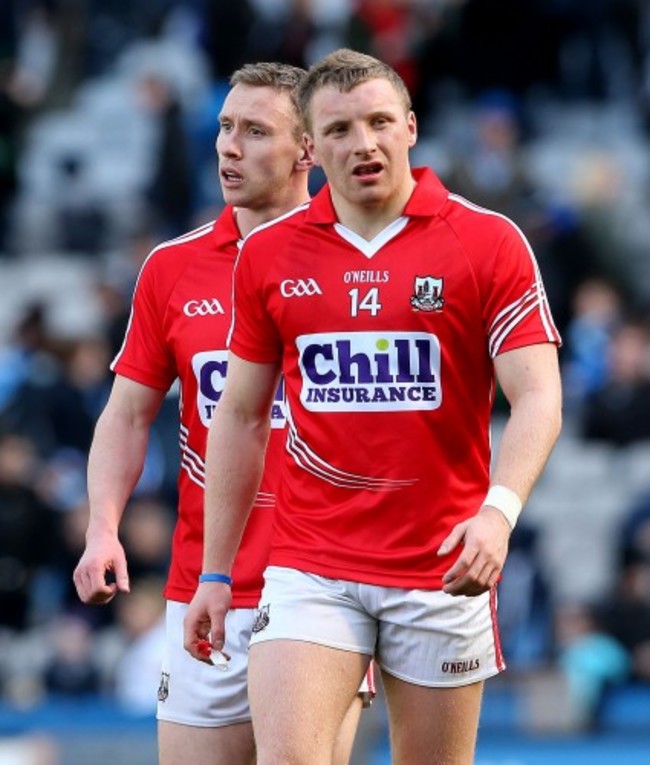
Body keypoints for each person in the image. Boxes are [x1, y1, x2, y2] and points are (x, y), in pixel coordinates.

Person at [184, 48, 563, 765]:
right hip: (311, 564)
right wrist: (215, 571)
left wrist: (498, 511)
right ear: (311, 149)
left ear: (411, 127)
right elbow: (238, 417)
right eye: (339, 130)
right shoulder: (269, 256)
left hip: (441, 563)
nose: (364, 143)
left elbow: (539, 394)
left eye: (380, 122)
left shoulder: (488, 241)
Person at [73, 62, 367, 765]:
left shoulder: (358, 263)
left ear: (307, 150)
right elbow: (126, 415)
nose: (229, 147)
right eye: (225, 127)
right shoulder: (172, 268)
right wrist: (102, 526)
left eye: (255, 131)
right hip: (205, 586)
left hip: (318, 588)